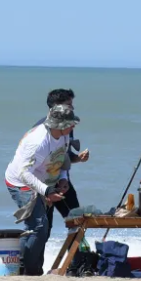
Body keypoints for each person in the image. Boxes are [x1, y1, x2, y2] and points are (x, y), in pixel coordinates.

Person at [4, 103, 80, 276]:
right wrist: (47, 191)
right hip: (20, 182)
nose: (73, 126)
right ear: (58, 126)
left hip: (42, 180)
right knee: (39, 226)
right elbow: (24, 174)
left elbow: (61, 160)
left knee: (43, 228)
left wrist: (62, 180)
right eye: (70, 123)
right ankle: (26, 272)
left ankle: (34, 270)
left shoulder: (64, 136)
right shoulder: (38, 142)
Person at [32, 89, 90, 233]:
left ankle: (78, 256)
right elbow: (32, 165)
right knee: (43, 229)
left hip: (63, 182)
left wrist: (78, 158)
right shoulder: (41, 130)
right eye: (69, 105)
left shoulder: (68, 126)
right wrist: (45, 191)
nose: (72, 108)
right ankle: (33, 256)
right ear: (56, 108)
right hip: (43, 185)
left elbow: (62, 155)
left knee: (77, 222)